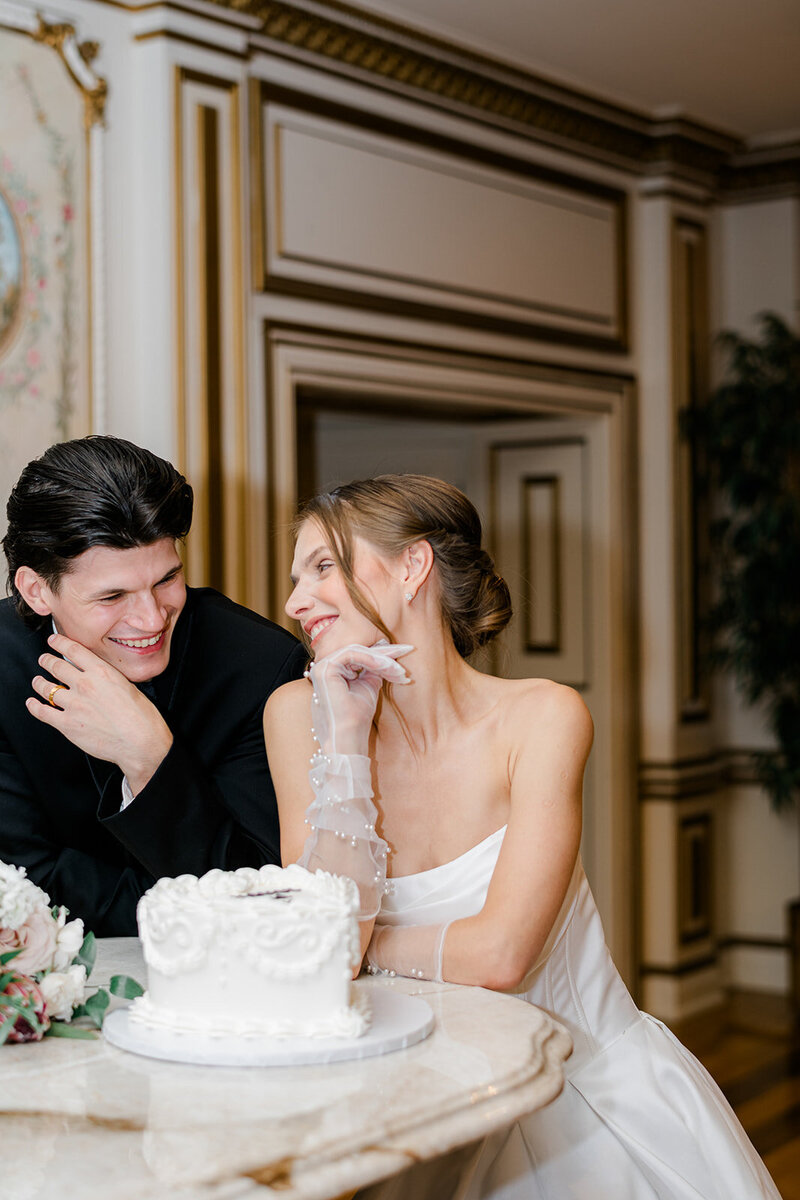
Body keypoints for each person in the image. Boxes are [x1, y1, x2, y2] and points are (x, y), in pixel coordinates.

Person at [264, 473, 780, 1200]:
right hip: (413, 1109)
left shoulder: (543, 718)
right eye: (296, 577)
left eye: (323, 567)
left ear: (414, 568)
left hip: (587, 1104)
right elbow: (326, 936)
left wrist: (354, 951)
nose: (293, 603)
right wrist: (346, 738)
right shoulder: (299, 715)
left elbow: (503, 955)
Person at [0, 435, 307, 935]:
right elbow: (20, 885)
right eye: (113, 595)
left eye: (166, 580)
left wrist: (149, 758)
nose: (151, 618)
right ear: (36, 591)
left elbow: (264, 891)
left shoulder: (260, 666)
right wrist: (182, 908)